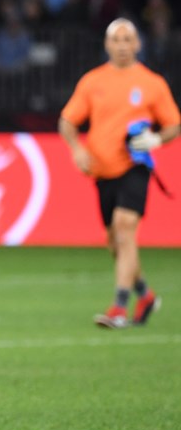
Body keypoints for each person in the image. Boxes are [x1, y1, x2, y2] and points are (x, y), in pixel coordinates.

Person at [59, 18, 180, 329]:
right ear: (107, 44)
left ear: (138, 44)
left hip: (135, 166)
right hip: (102, 170)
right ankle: (146, 295)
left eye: (129, 39)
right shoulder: (93, 81)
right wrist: (77, 149)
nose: (123, 45)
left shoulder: (152, 83)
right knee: (115, 240)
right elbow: (67, 121)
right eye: (118, 39)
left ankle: (119, 307)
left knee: (125, 229)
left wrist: (156, 139)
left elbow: (173, 124)